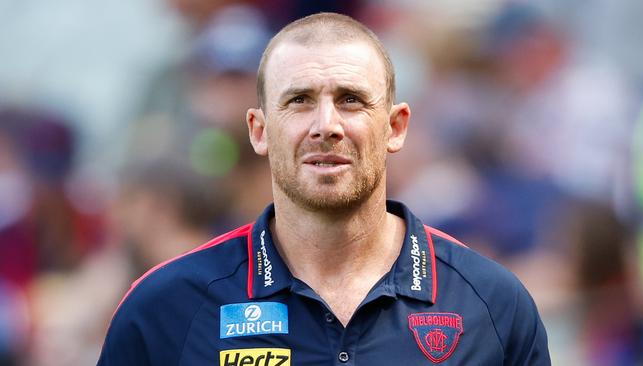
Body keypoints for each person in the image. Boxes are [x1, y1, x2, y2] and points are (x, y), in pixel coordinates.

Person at [97, 12, 550, 365]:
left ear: (396, 127)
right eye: (300, 101)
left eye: (351, 100)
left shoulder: (490, 303)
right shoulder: (165, 307)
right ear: (259, 130)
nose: (326, 126)